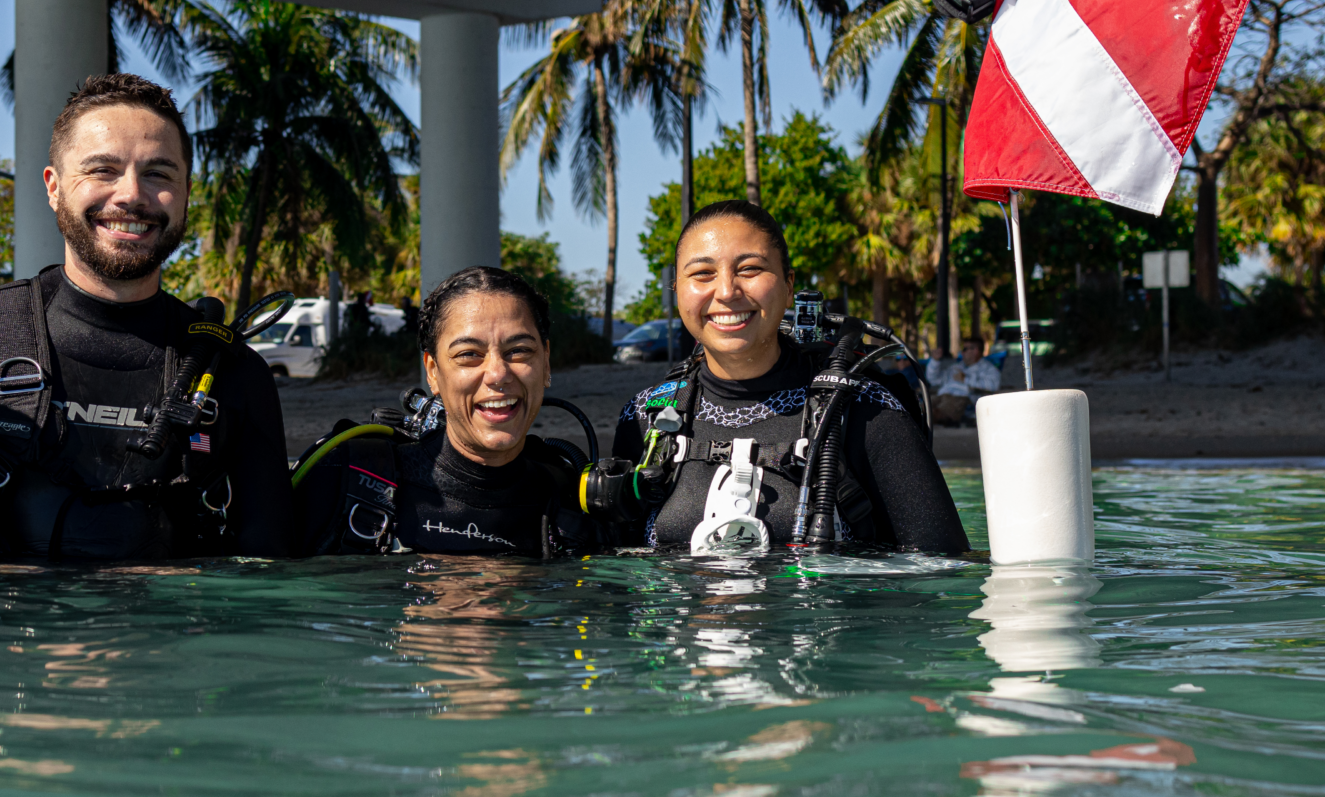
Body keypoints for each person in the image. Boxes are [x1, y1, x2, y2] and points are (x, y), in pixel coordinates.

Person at [0, 73, 293, 560]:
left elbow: (269, 574)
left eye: (158, 174)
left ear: (187, 191)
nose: (131, 194)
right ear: (54, 187)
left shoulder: (233, 373)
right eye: (102, 170)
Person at [599, 200, 967, 555]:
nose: (726, 291)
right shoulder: (645, 416)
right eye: (702, 274)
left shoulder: (864, 409)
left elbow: (940, 571)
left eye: (749, 269)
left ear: (789, 286)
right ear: (677, 290)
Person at [292, 266, 596, 557]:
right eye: (469, 354)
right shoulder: (348, 479)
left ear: (546, 363)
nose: (498, 374)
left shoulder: (574, 497)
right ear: (433, 372)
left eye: (519, 351)